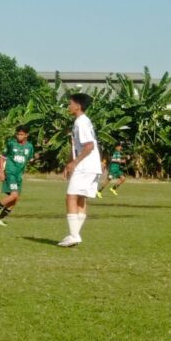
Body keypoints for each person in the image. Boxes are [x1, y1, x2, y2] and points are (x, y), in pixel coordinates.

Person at [58, 93, 102, 248]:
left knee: (71, 197)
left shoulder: (81, 122)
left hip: (85, 166)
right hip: (91, 166)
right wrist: (68, 163)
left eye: (70, 103)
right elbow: (77, 146)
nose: (68, 106)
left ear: (77, 106)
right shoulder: (83, 121)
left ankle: (74, 235)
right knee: (81, 198)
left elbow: (89, 146)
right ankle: (74, 234)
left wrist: (75, 163)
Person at [0, 126, 34, 226]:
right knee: (14, 195)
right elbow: (2, 157)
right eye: (18, 134)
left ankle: (0, 219)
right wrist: (2, 172)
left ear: (26, 135)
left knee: (16, 199)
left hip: (19, 175)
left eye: (21, 134)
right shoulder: (11, 143)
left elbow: (29, 159)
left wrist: (35, 159)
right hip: (10, 172)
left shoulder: (30, 146)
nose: (19, 136)